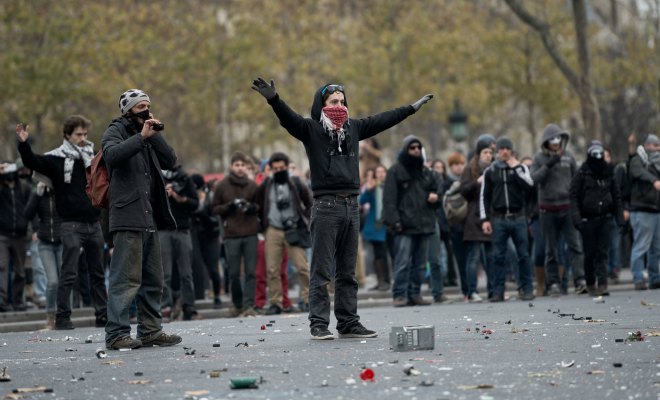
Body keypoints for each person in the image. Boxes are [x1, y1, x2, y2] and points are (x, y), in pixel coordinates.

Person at [252, 77, 432, 339]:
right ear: (321, 104)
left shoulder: (354, 128)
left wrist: (410, 109)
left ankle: (348, 322)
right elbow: (289, 119)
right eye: (333, 101)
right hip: (326, 206)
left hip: (351, 206)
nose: (340, 106)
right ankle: (318, 324)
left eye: (343, 102)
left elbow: (383, 119)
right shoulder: (311, 129)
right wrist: (274, 100)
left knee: (347, 271)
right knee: (322, 270)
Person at [101, 89, 182, 350]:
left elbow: (170, 160)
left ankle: (150, 331)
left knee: (152, 279)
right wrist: (140, 137)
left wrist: (153, 135)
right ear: (127, 111)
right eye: (140, 107)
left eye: (148, 105)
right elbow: (111, 155)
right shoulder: (115, 130)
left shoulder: (147, 134)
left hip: (149, 217)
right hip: (127, 216)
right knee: (125, 279)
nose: (145, 110)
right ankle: (116, 334)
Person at [17, 117, 108, 328]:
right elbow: (32, 161)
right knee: (68, 272)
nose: (83, 138)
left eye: (85, 134)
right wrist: (23, 143)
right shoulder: (56, 159)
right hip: (70, 224)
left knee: (97, 273)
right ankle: (63, 317)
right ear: (67, 135)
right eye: (78, 134)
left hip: (93, 223)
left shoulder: (92, 158)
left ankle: (102, 315)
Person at [383, 135, 439, 307]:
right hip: (404, 226)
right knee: (402, 263)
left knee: (420, 264)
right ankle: (399, 295)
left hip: (423, 224)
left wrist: (436, 197)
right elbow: (389, 200)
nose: (415, 150)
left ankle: (415, 294)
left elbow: (437, 191)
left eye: (418, 148)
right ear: (406, 150)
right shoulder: (395, 171)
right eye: (412, 148)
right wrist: (395, 222)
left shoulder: (425, 172)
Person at [531, 123, 586, 297]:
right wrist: (548, 165)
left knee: (575, 246)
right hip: (547, 210)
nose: (556, 142)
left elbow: (577, 179)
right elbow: (534, 179)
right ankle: (553, 283)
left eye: (558, 139)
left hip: (567, 207)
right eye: (552, 139)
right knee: (551, 249)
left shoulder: (569, 157)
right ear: (546, 142)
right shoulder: (539, 158)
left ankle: (580, 281)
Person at [255, 152, 313, 315]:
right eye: (275, 168)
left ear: (287, 167)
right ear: (271, 169)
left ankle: (308, 299)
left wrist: (305, 221)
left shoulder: (295, 182)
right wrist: (262, 225)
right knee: (272, 269)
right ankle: (275, 302)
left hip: (293, 228)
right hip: (273, 229)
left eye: (282, 168)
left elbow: (309, 203)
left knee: (302, 267)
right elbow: (257, 204)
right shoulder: (267, 184)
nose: (278, 171)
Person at [480, 137, 535, 302]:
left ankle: (526, 289)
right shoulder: (490, 171)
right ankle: (498, 291)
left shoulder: (521, 167)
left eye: (507, 148)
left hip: (518, 217)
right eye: (502, 148)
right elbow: (484, 196)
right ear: (498, 152)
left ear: (511, 151)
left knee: (523, 255)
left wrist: (516, 168)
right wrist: (485, 220)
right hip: (498, 219)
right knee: (498, 257)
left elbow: (530, 186)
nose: (504, 151)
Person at [570, 141, 623, 296]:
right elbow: (574, 196)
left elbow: (616, 195)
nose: (598, 157)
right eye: (595, 154)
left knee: (603, 252)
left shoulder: (609, 172)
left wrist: (619, 218)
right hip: (588, 219)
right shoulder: (582, 173)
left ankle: (603, 283)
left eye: (600, 154)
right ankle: (591, 282)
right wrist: (577, 218)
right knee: (590, 253)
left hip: (605, 218)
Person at [212, 151, 260, 317]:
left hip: (250, 232)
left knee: (251, 272)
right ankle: (238, 304)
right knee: (233, 273)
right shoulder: (222, 185)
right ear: (231, 167)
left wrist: (251, 207)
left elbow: (260, 206)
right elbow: (214, 208)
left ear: (246, 167)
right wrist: (229, 206)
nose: (240, 168)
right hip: (231, 234)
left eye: (243, 165)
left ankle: (248, 306)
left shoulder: (253, 185)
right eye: (237, 165)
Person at [159, 165, 201, 321]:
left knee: (186, 273)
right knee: (165, 273)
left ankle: (189, 306)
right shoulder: (157, 177)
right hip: (163, 229)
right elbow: (150, 202)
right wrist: (164, 194)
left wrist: (181, 198)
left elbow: (195, 203)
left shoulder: (185, 179)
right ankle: (166, 307)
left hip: (182, 230)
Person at [459, 138, 495, 302]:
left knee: (492, 256)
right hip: (474, 218)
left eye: (490, 152)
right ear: (479, 154)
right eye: (485, 152)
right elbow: (463, 191)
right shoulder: (470, 169)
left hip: (491, 216)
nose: (488, 155)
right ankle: (471, 291)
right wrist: (476, 182)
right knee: (473, 257)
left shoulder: (495, 168)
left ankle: (494, 289)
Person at [25, 176, 63, 328]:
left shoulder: (62, 192)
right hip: (45, 243)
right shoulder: (39, 194)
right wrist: (37, 194)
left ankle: (64, 314)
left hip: (62, 242)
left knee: (65, 280)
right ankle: (50, 316)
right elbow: (28, 214)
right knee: (52, 281)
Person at [627, 134, 660, 290]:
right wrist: (653, 180)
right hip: (642, 209)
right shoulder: (638, 159)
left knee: (656, 248)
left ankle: (655, 278)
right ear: (647, 145)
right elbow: (637, 172)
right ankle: (638, 278)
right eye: (655, 146)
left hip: (656, 209)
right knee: (641, 245)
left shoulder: (658, 162)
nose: (657, 149)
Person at [0, 161, 31, 312]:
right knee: (2, 268)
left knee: (20, 270)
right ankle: (3, 302)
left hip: (20, 234)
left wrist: (31, 228)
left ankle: (18, 301)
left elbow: (31, 208)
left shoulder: (24, 187)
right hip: (3, 235)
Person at [359, 165, 391, 292]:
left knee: (388, 253)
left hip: (388, 224)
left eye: (383, 171)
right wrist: (368, 189)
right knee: (378, 254)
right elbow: (361, 201)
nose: (380, 174)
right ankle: (381, 281)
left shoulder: (390, 186)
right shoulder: (372, 188)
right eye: (378, 172)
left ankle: (387, 280)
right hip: (376, 225)